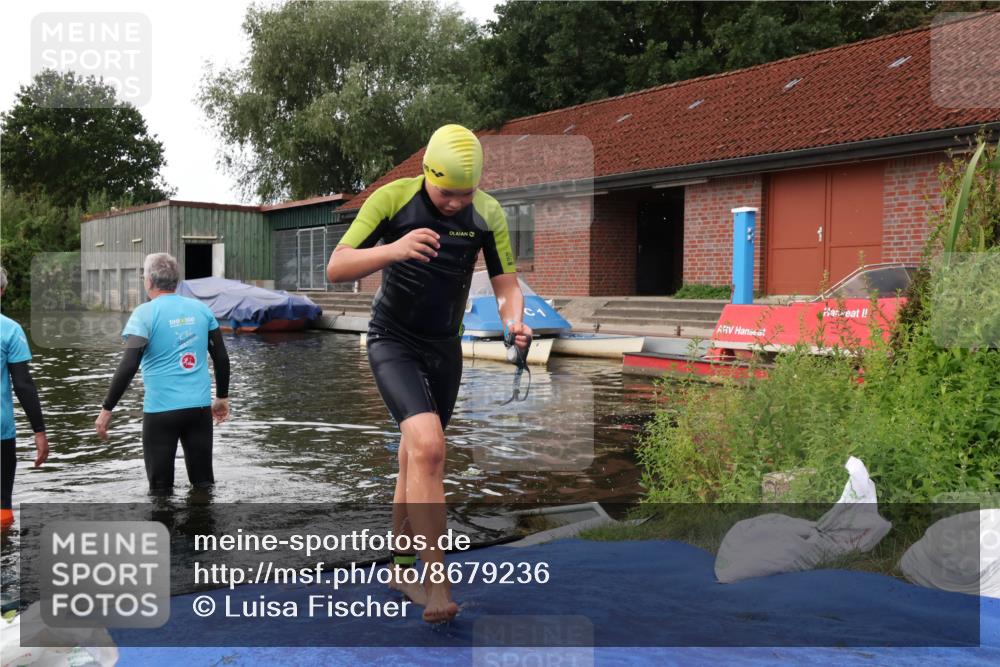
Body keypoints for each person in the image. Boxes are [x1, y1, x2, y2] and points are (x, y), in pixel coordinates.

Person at [327, 124, 532, 622]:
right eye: (446, 193)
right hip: (392, 340)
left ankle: (400, 567)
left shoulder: (488, 213)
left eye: (466, 193)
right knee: (430, 448)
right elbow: (337, 266)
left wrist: (513, 320)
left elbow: (505, 282)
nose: (456, 203)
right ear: (428, 174)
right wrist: (393, 249)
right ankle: (438, 586)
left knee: (415, 458)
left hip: (445, 347)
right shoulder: (392, 200)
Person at [94, 253, 231, 494]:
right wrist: (221, 397)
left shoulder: (144, 314)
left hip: (161, 413)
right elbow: (220, 357)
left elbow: (129, 365)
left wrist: (107, 408)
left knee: (160, 490)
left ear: (148, 281)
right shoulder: (201, 310)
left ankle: (164, 530)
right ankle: (203, 530)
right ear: (176, 280)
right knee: (203, 484)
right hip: (198, 410)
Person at [0, 266, 49, 530]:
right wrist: (39, 432)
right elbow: (23, 385)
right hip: (1, 431)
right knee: (2, 508)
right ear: (3, 290)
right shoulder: (10, 330)